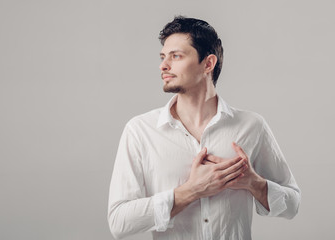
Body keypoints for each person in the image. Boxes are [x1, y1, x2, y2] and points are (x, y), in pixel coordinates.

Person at [108, 16, 301, 240]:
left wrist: (253, 182)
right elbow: (119, 222)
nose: (163, 65)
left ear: (208, 64)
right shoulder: (140, 131)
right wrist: (191, 191)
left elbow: (293, 205)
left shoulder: (252, 126)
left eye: (176, 56)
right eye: (163, 57)